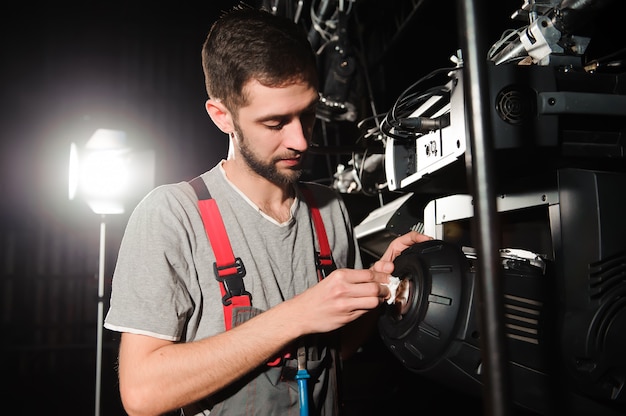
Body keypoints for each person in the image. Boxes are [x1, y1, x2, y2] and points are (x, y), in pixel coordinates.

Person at [104, 5, 430, 416]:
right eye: (276, 123)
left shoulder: (329, 210)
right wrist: (296, 315)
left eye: (307, 115)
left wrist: (374, 287)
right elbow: (142, 393)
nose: (300, 140)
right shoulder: (172, 216)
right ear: (222, 116)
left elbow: (335, 351)